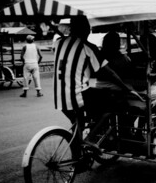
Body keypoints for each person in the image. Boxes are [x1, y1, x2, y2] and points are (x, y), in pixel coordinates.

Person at [53, 16, 136, 150]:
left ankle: (78, 154)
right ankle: (90, 139)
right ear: (86, 30)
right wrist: (125, 87)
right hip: (78, 94)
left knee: (77, 123)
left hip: (59, 95)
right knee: (112, 107)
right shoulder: (88, 47)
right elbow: (109, 72)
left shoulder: (58, 42)